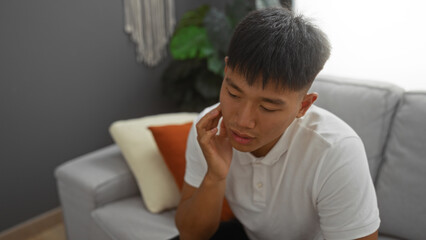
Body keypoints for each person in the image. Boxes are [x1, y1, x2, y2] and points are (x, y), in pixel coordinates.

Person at [173, 6, 380, 240]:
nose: (242, 121)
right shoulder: (210, 130)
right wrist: (215, 176)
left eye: (267, 107)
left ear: (303, 106)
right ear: (226, 70)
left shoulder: (336, 151)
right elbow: (190, 235)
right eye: (233, 93)